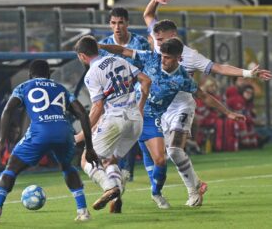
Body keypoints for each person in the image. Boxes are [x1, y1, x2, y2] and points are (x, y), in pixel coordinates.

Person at [142, 0, 272, 207]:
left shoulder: (190, 56)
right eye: (156, 39)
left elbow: (219, 68)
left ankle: (193, 191)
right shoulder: (159, 41)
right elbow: (148, 15)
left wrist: (248, 73)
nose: (157, 43)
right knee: (168, 153)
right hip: (161, 108)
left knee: (174, 149)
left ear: (173, 37)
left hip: (183, 106)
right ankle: (197, 185)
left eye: (161, 39)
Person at [99, 37, 246, 210]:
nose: (163, 60)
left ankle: (156, 193)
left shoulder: (182, 78)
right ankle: (113, 193)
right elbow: (123, 51)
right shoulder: (151, 57)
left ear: (179, 58)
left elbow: (203, 96)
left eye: (168, 57)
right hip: (128, 111)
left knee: (161, 160)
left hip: (151, 118)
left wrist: (228, 113)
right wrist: (100, 46)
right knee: (111, 157)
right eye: (163, 56)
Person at [0, 59, 99, 223]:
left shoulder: (24, 86)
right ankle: (83, 211)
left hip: (40, 132)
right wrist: (89, 147)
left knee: (11, 168)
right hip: (64, 132)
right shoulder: (61, 88)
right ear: (48, 74)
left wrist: (2, 141)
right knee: (68, 167)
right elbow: (82, 113)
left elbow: (7, 110)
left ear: (30, 74)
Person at [74, 35, 151, 213]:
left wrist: (79, 136)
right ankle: (115, 197)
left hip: (116, 119)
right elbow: (146, 80)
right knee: (110, 160)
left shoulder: (91, 74)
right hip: (135, 120)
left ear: (82, 56)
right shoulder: (118, 60)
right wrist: (140, 106)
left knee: (87, 159)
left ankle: (109, 188)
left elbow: (97, 107)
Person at [99, 7, 151, 183]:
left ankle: (127, 170)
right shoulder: (103, 45)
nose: (117, 26)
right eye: (114, 23)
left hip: (136, 95)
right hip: (112, 97)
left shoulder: (140, 43)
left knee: (130, 130)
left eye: (121, 22)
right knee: (116, 131)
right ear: (109, 24)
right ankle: (113, 167)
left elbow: (147, 70)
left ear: (127, 23)